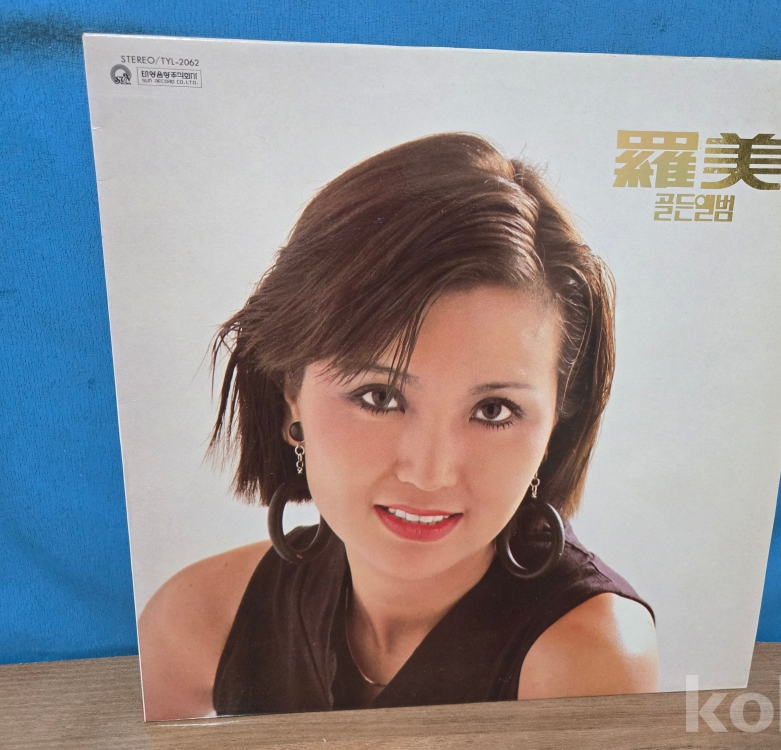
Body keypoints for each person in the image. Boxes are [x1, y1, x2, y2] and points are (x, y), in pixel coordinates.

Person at [138, 133, 659, 720]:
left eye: (494, 410)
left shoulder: (586, 659)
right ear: (291, 398)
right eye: (379, 397)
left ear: (555, 427)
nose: (430, 473)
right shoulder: (199, 616)